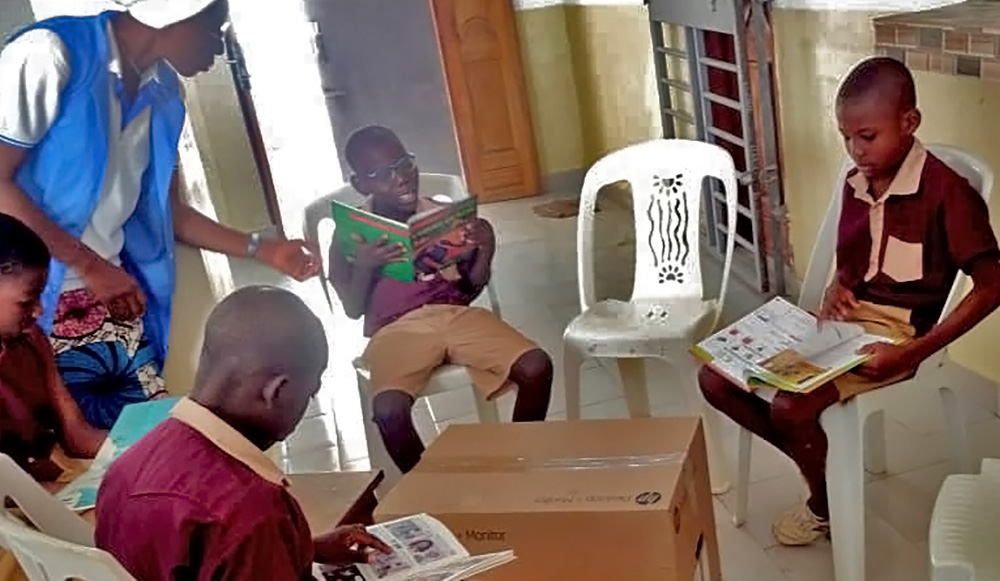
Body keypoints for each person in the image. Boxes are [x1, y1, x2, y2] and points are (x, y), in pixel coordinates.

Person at [699, 56, 1000, 547]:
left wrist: (914, 352)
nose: (854, 150)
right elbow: (855, 259)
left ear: (909, 123)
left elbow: (992, 286)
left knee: (792, 410)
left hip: (900, 337)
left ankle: (822, 501)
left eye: (867, 135)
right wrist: (840, 284)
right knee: (715, 377)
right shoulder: (856, 183)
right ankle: (818, 463)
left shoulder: (949, 194)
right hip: (844, 326)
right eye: (846, 136)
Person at [0, 0, 321, 431]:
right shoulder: (51, 55)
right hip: (36, 299)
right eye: (214, 29)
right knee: (66, 459)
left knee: (142, 440)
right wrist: (88, 265)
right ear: (176, 13)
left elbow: (168, 214)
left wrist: (263, 250)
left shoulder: (165, 91)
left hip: (112, 294)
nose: (219, 47)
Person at [95, 286, 391, 580]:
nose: (308, 403)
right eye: (310, 391)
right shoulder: (252, 510)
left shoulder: (127, 466)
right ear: (276, 390)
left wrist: (303, 548)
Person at [328, 125, 553, 473]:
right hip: (396, 330)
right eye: (383, 174)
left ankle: (519, 468)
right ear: (361, 184)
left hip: (454, 315)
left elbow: (469, 289)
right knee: (388, 411)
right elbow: (353, 308)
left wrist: (486, 249)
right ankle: (432, 491)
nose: (401, 178)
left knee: (537, 366)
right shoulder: (350, 238)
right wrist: (366, 266)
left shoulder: (440, 215)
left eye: (405, 164)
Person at [0, 213, 105, 482]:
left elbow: (77, 436)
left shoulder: (32, 341)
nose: (39, 311)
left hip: (50, 492)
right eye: (27, 301)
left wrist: (147, 446)